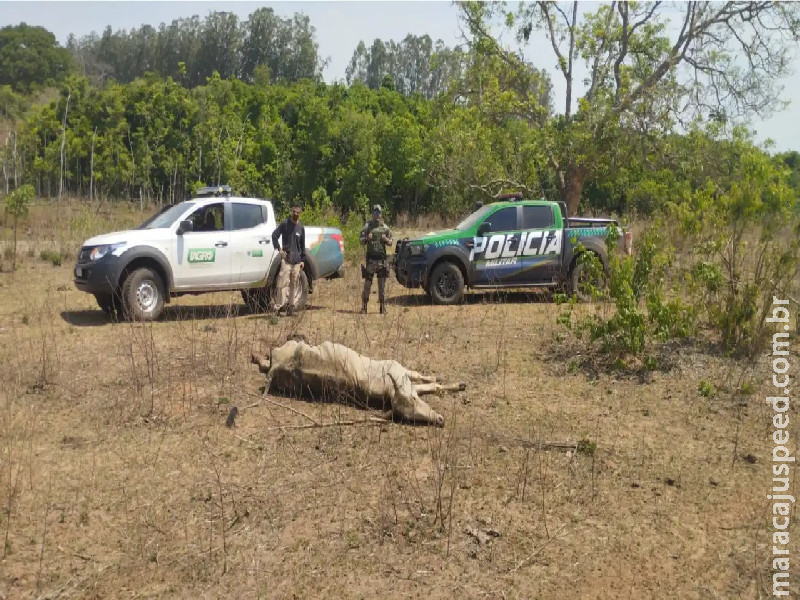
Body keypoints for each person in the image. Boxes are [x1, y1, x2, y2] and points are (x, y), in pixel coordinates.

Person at [271, 202, 306, 316]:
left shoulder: (301, 228)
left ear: (300, 213)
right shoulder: (285, 224)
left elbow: (302, 245)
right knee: (282, 284)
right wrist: (279, 249)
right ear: (291, 211)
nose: (295, 213)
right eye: (294, 211)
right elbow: (274, 235)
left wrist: (302, 260)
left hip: (296, 262)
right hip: (286, 261)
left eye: (297, 212)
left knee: (294, 285)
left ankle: (291, 308)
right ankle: (278, 308)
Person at [359, 204, 392, 314]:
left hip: (381, 260)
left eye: (379, 212)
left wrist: (386, 239)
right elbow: (361, 241)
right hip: (371, 261)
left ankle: (382, 307)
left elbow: (391, 243)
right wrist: (367, 239)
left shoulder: (385, 228)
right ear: (372, 213)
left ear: (381, 214)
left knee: (382, 286)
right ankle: (364, 307)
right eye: (375, 212)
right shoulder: (367, 227)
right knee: (367, 285)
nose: (377, 214)